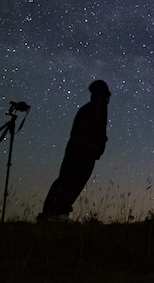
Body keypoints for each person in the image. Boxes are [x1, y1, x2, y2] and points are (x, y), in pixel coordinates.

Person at [38, 80, 111, 222]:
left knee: (65, 179)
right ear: (105, 95)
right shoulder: (100, 106)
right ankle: (57, 214)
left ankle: (50, 212)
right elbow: (98, 130)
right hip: (85, 151)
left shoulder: (85, 108)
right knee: (74, 181)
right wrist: (100, 147)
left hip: (74, 150)